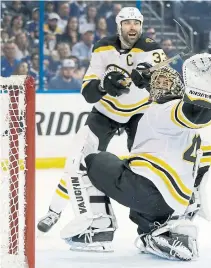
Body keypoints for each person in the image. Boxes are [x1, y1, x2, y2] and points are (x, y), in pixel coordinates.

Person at [60, 54, 211, 259]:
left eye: (165, 84)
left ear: (179, 91)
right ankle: (158, 232)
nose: (159, 86)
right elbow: (168, 98)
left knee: (93, 159)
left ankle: (98, 228)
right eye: (158, 83)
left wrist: (202, 96)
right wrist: (149, 80)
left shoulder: (167, 110)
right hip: (174, 204)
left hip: (150, 192)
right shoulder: (173, 117)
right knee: (137, 198)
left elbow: (192, 114)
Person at [37, 7, 167, 233]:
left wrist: (149, 78)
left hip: (139, 113)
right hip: (106, 112)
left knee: (148, 166)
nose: (132, 27)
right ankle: (54, 211)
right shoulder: (103, 47)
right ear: (119, 26)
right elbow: (88, 93)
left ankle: (151, 222)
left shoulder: (152, 48)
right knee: (78, 160)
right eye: (127, 23)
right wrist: (104, 85)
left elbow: (167, 87)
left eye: (136, 23)